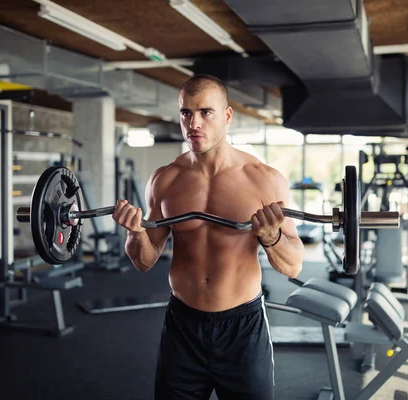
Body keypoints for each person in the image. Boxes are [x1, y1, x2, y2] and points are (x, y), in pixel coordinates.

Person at [112, 74, 305, 400]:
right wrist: (135, 235)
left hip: (242, 327)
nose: (193, 123)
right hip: (182, 326)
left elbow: (294, 266)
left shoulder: (264, 181)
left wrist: (271, 239)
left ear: (227, 116)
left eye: (205, 112)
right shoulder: (165, 180)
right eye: (186, 113)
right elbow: (145, 260)